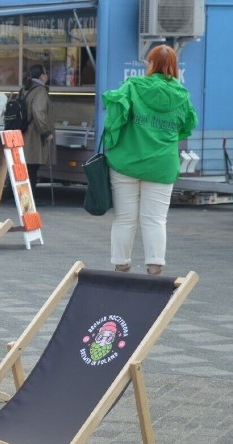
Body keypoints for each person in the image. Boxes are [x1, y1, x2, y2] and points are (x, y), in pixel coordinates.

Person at [103, 44, 197, 276]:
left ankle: (121, 263)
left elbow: (114, 119)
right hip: (162, 165)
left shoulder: (132, 87)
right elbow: (187, 126)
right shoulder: (181, 95)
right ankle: (154, 265)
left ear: (151, 64)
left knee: (125, 218)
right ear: (173, 66)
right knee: (155, 219)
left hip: (126, 162)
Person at [21, 65, 55, 196]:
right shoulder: (40, 90)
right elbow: (39, 111)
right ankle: (29, 199)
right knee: (32, 168)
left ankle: (26, 196)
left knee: (27, 168)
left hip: (24, 131)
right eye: (46, 73)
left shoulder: (25, 88)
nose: (47, 76)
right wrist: (46, 131)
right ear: (41, 76)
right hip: (33, 135)